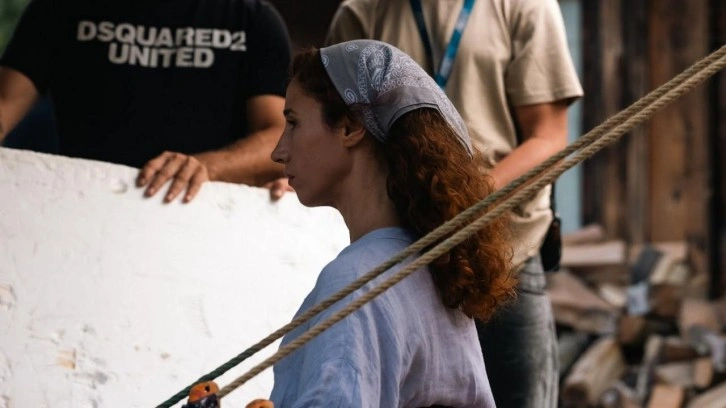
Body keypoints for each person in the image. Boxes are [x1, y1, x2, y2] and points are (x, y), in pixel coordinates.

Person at [326, 1, 584, 406]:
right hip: (398, 260)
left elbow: (548, 137)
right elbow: (335, 131)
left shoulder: (525, 6)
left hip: (506, 256)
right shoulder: (362, 12)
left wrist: (466, 199)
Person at [263, 40, 514, 407]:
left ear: (350, 126)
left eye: (293, 123)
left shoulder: (355, 281)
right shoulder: (433, 269)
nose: (278, 151)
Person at [0, 0, 292, 203]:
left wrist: (206, 167)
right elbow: (6, 100)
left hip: (201, 214)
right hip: (78, 205)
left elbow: (279, 135)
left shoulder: (251, 19)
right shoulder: (60, 8)